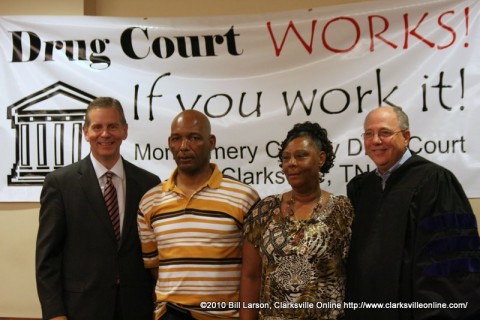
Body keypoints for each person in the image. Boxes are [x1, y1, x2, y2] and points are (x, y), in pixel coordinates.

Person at [345, 106, 480, 320]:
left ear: (406, 137)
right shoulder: (361, 188)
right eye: (369, 134)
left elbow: (449, 260)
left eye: (385, 132)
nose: (376, 140)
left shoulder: (435, 182)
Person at [36, 97, 161, 320]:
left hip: (137, 308)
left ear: (124, 130)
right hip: (81, 309)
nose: (105, 134)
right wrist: (54, 313)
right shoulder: (60, 183)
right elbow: (48, 258)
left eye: (112, 126)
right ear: (86, 132)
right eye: (97, 127)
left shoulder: (149, 183)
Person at [137, 109, 260, 320]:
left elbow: (254, 273)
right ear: (170, 143)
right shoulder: (150, 202)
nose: (184, 147)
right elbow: (155, 268)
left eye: (194, 138)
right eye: (177, 139)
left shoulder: (244, 197)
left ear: (211, 142)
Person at [240, 121, 354, 320]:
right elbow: (251, 276)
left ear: (321, 158)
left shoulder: (343, 210)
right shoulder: (265, 210)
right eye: (286, 158)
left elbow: (356, 274)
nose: (291, 163)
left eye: (300, 156)